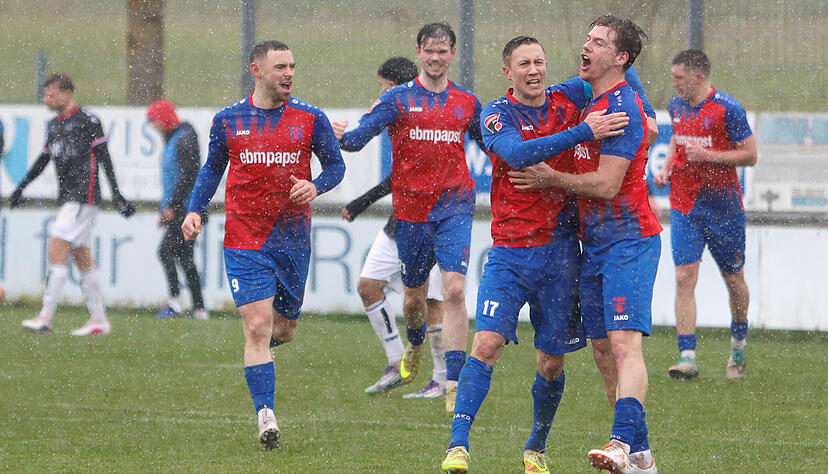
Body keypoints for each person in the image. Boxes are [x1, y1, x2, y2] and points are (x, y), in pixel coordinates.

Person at [440, 36, 645, 474]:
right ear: (507, 72)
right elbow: (515, 154)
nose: (533, 70)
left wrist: (645, 116)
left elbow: (623, 72)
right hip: (511, 254)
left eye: (539, 61)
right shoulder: (496, 113)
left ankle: (536, 447)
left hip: (561, 254)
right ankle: (458, 447)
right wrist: (584, 132)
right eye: (523, 63)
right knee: (488, 342)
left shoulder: (567, 96)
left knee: (551, 362)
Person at [509, 16, 661, 473]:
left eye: (598, 42)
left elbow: (609, 183)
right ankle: (641, 457)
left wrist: (550, 177)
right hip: (592, 246)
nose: (585, 46)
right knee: (601, 351)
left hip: (629, 240)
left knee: (622, 345)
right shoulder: (584, 98)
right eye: (587, 38)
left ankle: (619, 442)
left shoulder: (621, 108)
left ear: (620, 59)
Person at [181, 40, 345, 451]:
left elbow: (336, 165)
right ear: (256, 70)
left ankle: (259, 358)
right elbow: (212, 169)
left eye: (292, 66)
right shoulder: (228, 120)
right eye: (279, 67)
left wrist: (315, 184)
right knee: (257, 326)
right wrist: (194, 209)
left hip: (292, 240)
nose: (288, 74)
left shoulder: (310, 117)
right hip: (244, 238)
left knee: (283, 331)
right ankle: (266, 416)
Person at [333, 22, 486, 413]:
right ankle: (414, 344)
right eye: (429, 51)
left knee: (453, 290)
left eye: (443, 51)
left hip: (454, 205)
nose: (436, 58)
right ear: (419, 52)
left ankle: (454, 382)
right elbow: (355, 140)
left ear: (452, 54)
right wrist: (334, 134)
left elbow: (496, 147)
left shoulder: (467, 102)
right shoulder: (397, 99)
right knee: (415, 299)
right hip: (411, 214)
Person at [341, 57, 447, 399]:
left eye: (384, 86)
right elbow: (398, 175)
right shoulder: (394, 113)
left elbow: (400, 175)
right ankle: (394, 363)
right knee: (369, 286)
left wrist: (360, 202)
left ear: (398, 87)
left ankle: (443, 379)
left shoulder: (422, 112)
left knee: (430, 300)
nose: (381, 92)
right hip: (399, 221)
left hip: (432, 221)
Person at [654, 49, 757, 381]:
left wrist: (709, 155)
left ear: (697, 77)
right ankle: (687, 356)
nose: (673, 82)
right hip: (685, 206)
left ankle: (738, 345)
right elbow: (677, 142)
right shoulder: (677, 106)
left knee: (733, 280)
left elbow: (751, 156)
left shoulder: (729, 109)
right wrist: (667, 167)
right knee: (684, 277)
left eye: (678, 77)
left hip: (723, 209)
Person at [13, 74, 135, 336]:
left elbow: (104, 158)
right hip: (70, 198)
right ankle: (99, 319)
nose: (47, 100)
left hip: (83, 196)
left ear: (67, 93)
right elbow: (43, 160)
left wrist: (117, 193)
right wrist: (21, 187)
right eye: (45, 95)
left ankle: (45, 317)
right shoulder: (54, 126)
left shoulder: (87, 121)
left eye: (51, 94)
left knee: (56, 247)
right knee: (81, 256)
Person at [146, 99, 208, 321]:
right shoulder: (176, 138)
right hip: (182, 208)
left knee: (166, 253)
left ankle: (177, 304)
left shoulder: (183, 139)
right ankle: (199, 309)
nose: (153, 126)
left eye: (154, 121)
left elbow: (189, 176)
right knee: (184, 257)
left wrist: (172, 206)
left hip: (185, 209)